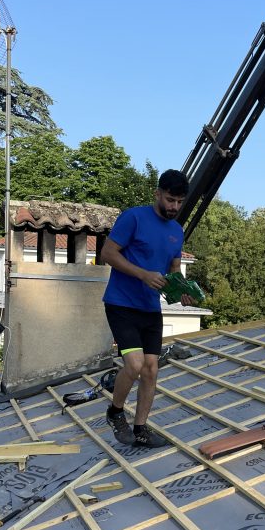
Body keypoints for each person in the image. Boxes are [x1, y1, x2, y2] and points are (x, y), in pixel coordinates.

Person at [100, 169, 196, 448]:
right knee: (135, 364)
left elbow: (175, 270)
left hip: (150, 308)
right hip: (121, 303)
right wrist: (143, 274)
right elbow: (108, 254)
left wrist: (184, 292)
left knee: (152, 369)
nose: (174, 207)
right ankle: (115, 412)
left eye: (179, 202)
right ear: (157, 194)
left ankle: (140, 428)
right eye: (169, 200)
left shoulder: (177, 231)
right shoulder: (134, 217)